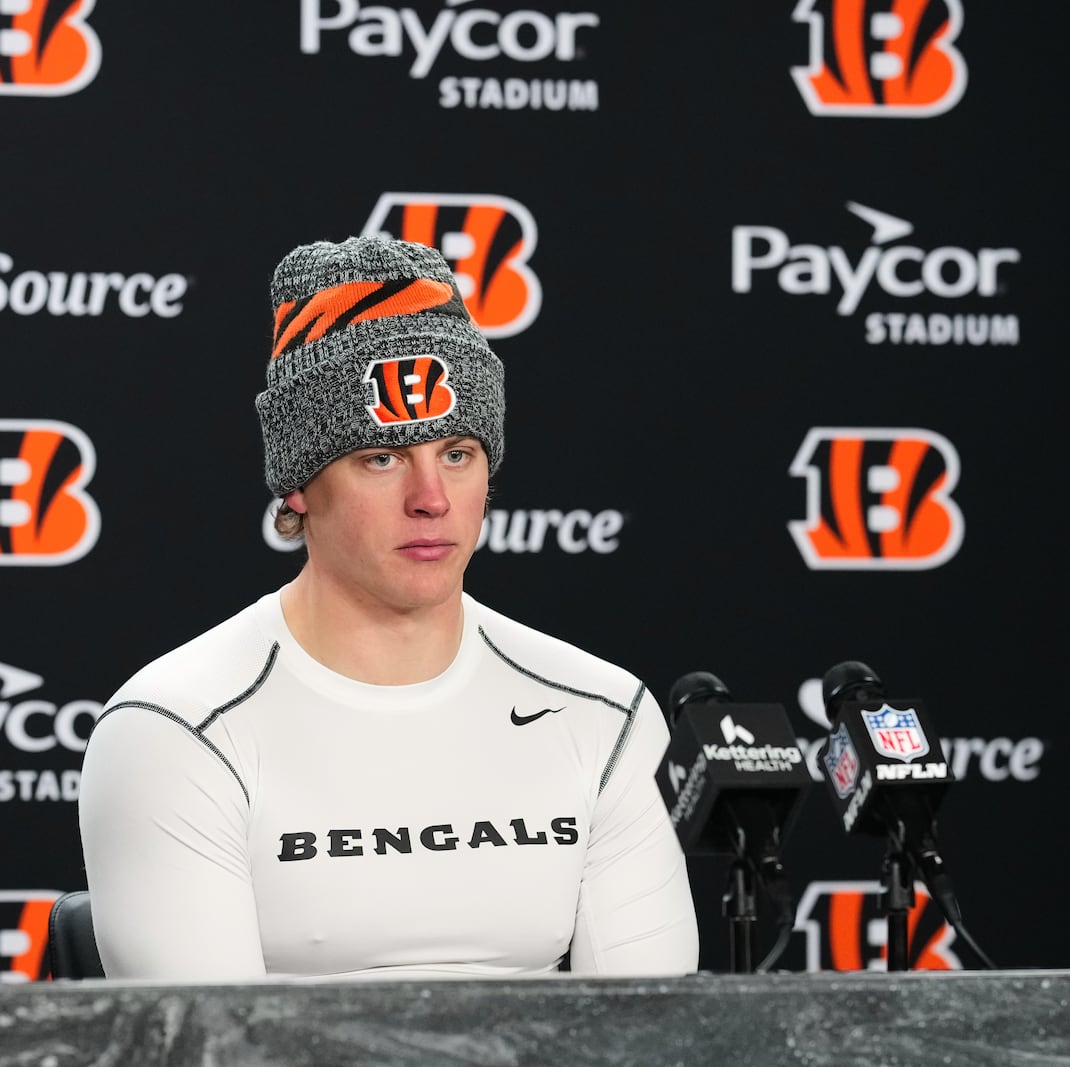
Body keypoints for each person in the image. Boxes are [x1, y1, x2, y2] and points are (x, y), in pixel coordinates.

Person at [77, 235, 698, 980]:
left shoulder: (605, 714)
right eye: (382, 457)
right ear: (299, 485)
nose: (431, 499)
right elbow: (212, 1038)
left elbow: (650, 1029)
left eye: (457, 454)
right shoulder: (176, 728)